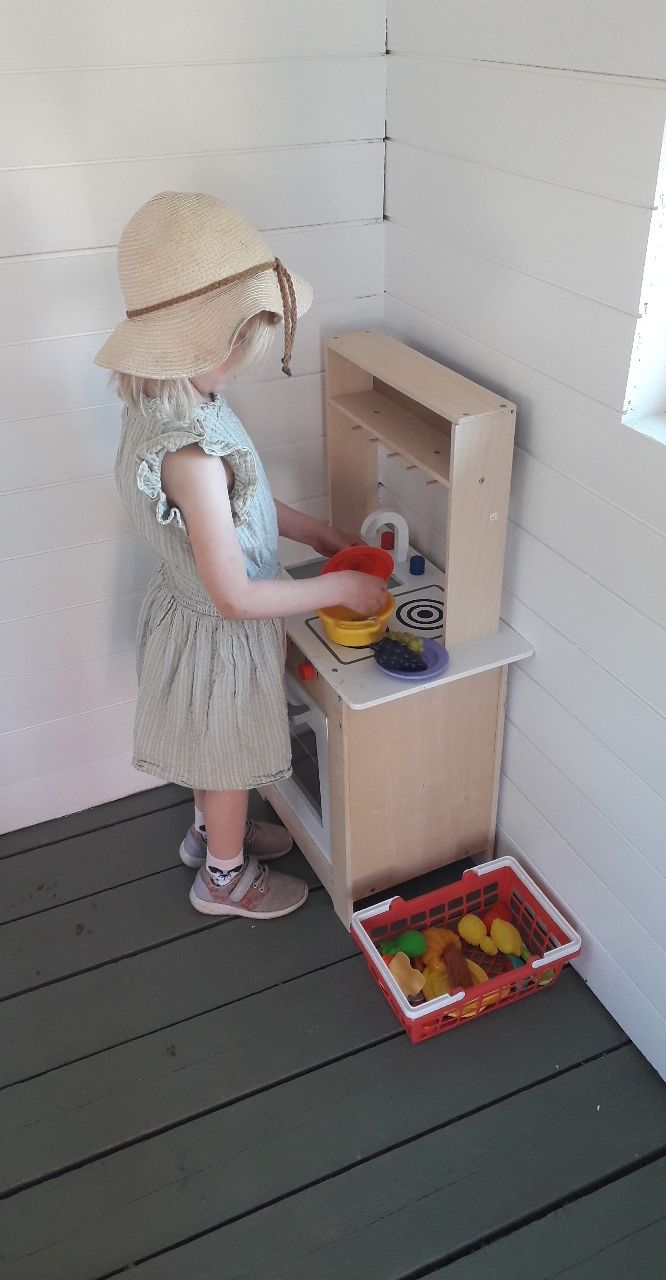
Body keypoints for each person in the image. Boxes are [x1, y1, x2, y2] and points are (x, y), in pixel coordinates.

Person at [96, 191, 387, 920]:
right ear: (202, 344)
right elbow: (236, 596)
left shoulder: (169, 405)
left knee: (210, 750)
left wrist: (313, 533)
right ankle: (223, 879)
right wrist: (340, 590)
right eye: (242, 347)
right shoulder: (190, 456)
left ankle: (209, 834)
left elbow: (242, 504)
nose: (244, 364)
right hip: (219, 633)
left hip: (188, 616)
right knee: (226, 761)